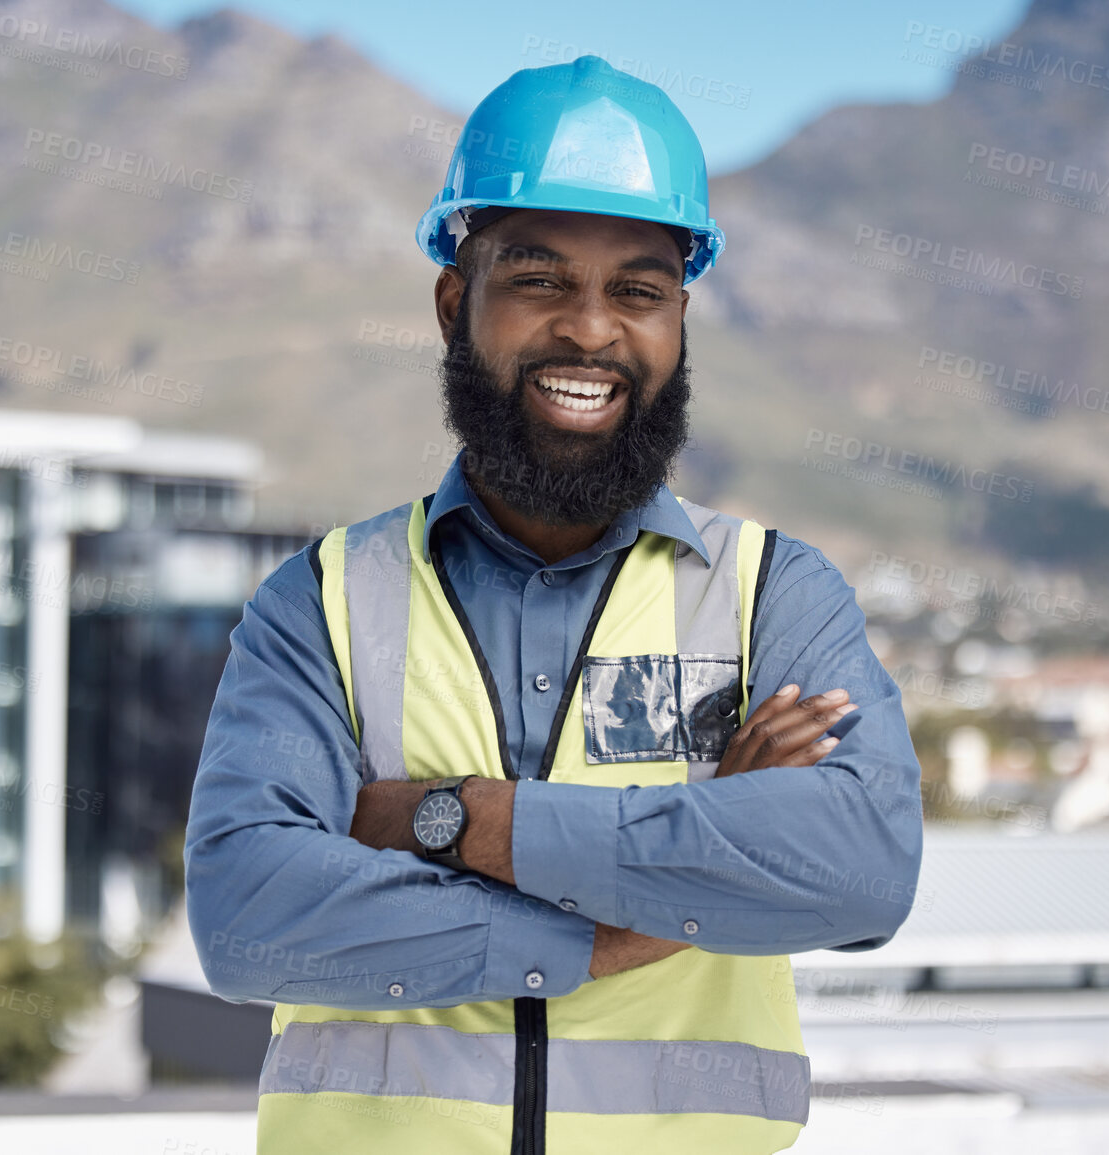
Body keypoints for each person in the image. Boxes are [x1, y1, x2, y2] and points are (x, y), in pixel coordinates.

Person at [184, 53, 923, 1155]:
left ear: (679, 321)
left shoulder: (775, 594)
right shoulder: (323, 603)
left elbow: (857, 872)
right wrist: (657, 897)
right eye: (537, 280)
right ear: (455, 303)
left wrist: (452, 820)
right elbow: (249, 918)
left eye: (638, 289)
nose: (589, 331)